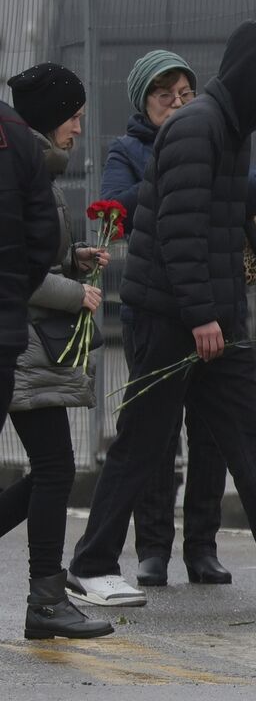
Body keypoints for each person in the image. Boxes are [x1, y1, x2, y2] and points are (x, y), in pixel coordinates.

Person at [68, 19, 256, 608]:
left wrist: (222, 316)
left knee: (251, 440)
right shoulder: (197, 127)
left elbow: (219, 225)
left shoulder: (228, 129)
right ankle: (91, 563)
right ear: (253, 72)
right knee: (143, 442)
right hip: (174, 317)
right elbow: (179, 231)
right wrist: (204, 315)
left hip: (214, 318)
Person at [101, 50, 256, 588]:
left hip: (216, 308)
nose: (176, 104)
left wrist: (201, 178)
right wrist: (171, 172)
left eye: (184, 94)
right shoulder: (127, 150)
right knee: (154, 434)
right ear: (142, 102)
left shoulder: (220, 135)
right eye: (163, 95)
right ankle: (152, 548)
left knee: (213, 433)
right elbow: (112, 209)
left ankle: (203, 546)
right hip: (154, 309)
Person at [0, 64, 113, 638]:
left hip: (26, 343)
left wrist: (75, 259)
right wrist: (76, 293)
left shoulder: (36, 167)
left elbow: (35, 253)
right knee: (54, 467)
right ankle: (45, 601)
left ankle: (46, 597)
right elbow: (14, 268)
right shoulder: (23, 165)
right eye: (73, 116)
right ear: (49, 119)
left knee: (51, 467)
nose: (79, 126)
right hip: (21, 346)